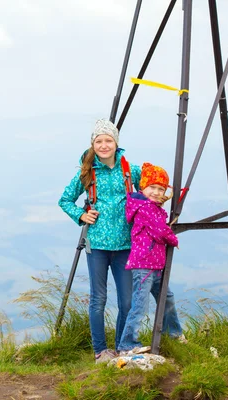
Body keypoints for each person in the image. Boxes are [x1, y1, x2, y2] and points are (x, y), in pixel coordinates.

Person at [58, 118, 141, 364]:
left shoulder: (130, 170)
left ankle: (123, 347)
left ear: (116, 143)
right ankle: (100, 351)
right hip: (97, 246)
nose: (104, 145)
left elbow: (152, 188)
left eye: (108, 140)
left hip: (125, 244)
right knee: (99, 299)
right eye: (99, 141)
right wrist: (81, 215)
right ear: (92, 145)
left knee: (127, 300)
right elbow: (64, 200)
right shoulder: (86, 173)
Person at [117, 162, 186, 356]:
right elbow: (159, 231)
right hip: (144, 265)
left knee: (167, 298)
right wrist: (173, 239)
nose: (156, 192)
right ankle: (128, 344)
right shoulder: (145, 208)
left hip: (154, 265)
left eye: (160, 189)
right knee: (140, 304)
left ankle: (172, 333)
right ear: (142, 188)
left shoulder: (152, 207)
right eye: (152, 187)